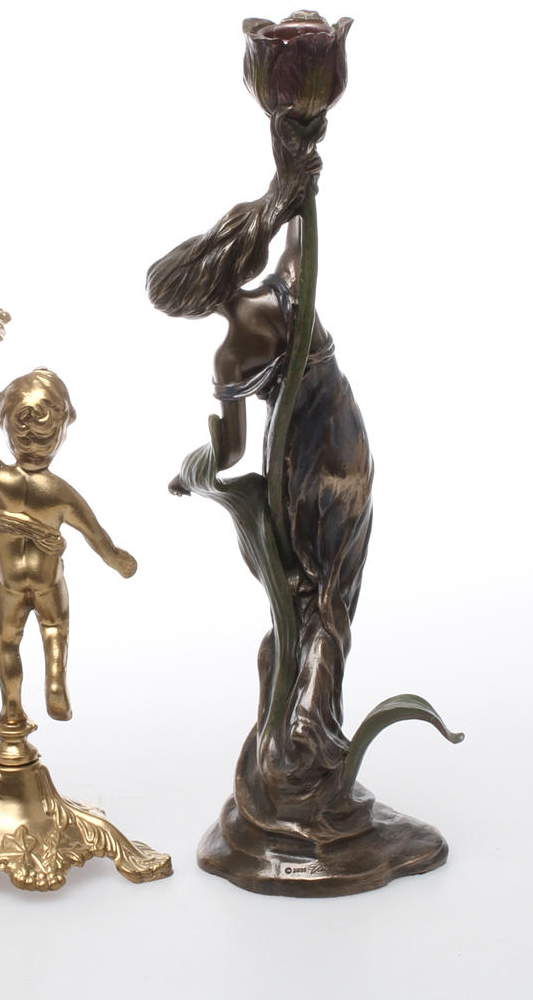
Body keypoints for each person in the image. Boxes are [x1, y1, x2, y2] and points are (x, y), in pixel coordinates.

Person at [147, 118, 373, 778]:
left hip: (296, 463)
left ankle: (304, 722)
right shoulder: (289, 288)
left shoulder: (229, 355)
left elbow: (231, 451)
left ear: (193, 304)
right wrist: (293, 177)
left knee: (311, 597)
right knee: (333, 591)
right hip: (347, 443)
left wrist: (193, 473)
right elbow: (302, 228)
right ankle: (307, 719)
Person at [0, 353, 136, 727]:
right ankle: (54, 680)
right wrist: (118, 560)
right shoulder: (60, 493)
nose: (33, 440)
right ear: (62, 430)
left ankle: (12, 707)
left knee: (7, 642)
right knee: (54, 629)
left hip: (6, 582)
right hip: (47, 582)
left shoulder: (1, 479)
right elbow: (98, 537)